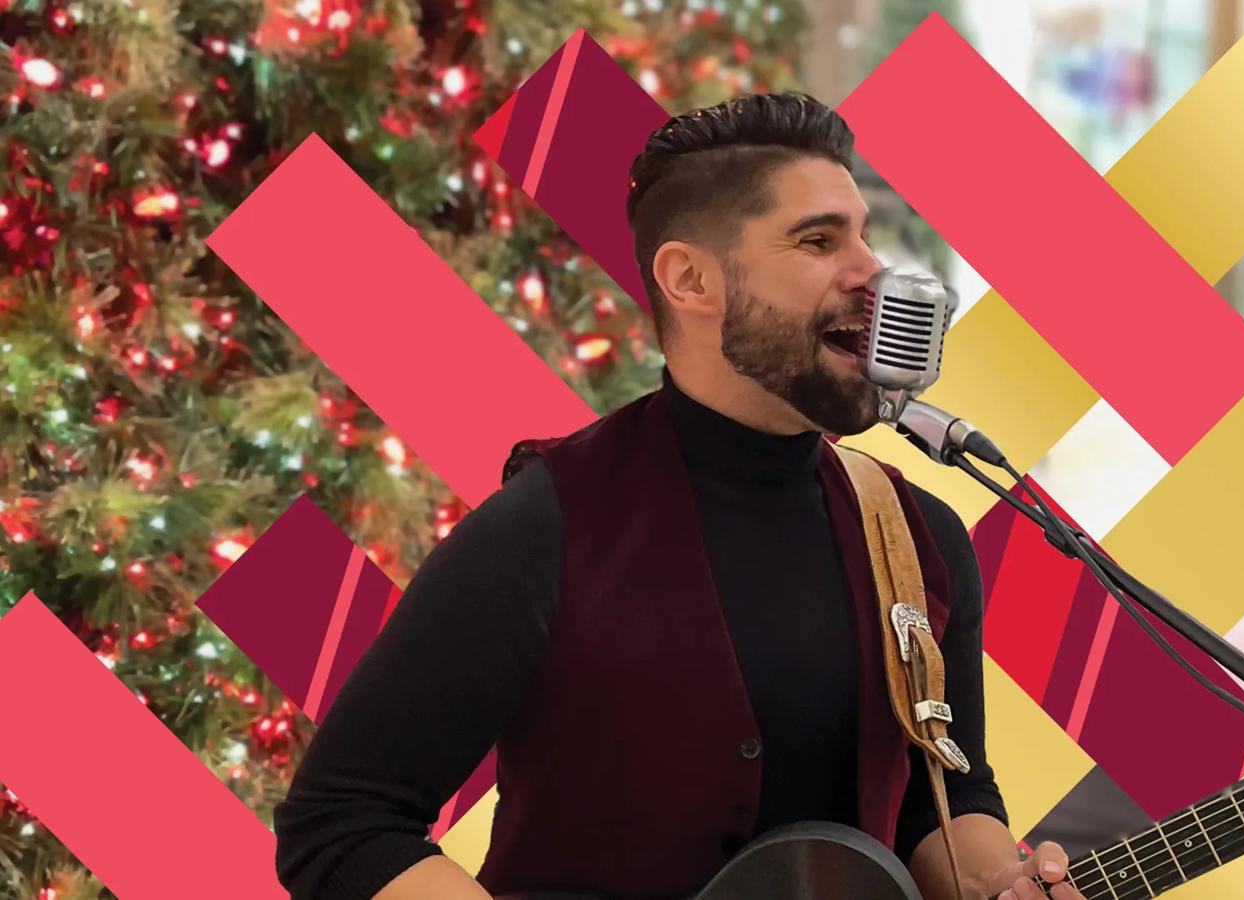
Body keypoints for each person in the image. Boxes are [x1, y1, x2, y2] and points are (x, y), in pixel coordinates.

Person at [272, 91, 1082, 900]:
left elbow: (949, 797)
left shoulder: (918, 539)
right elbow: (342, 820)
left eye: (864, 236)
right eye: (818, 239)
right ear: (691, 279)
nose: (869, 269)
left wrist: (1002, 882)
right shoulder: (548, 528)